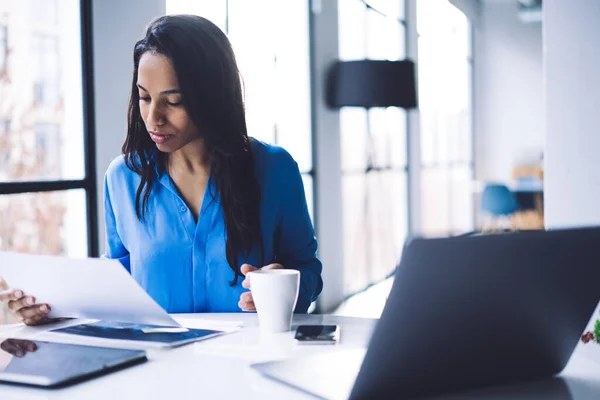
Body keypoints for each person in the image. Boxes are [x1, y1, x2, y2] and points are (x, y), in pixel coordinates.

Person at [0, 15, 323, 325]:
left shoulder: (274, 168)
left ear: (212, 97)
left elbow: (306, 270)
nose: (153, 117)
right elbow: (118, 284)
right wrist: (47, 308)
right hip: (156, 367)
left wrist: (285, 290)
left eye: (174, 101)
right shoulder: (123, 178)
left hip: (248, 361)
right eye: (144, 97)